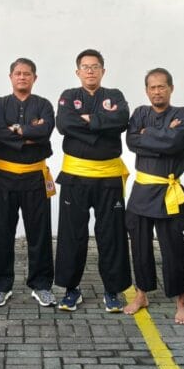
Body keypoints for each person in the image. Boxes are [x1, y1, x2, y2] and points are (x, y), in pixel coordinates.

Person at [54, 49, 131, 313]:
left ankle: (112, 290)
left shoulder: (114, 95)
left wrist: (87, 121)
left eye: (95, 66)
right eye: (85, 67)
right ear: (78, 72)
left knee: (111, 234)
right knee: (72, 234)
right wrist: (101, 126)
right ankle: (71, 289)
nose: (90, 71)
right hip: (75, 176)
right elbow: (64, 124)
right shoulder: (69, 96)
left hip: (108, 176)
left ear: (103, 71)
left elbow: (121, 120)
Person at [123, 68, 184, 322]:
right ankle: (142, 294)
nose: (157, 91)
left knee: (173, 247)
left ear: (171, 88)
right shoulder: (140, 113)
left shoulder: (181, 114)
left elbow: (174, 143)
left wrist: (147, 134)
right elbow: (131, 142)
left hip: (168, 191)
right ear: (146, 91)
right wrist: (162, 135)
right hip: (142, 190)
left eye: (162, 86)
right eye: (152, 87)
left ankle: (182, 300)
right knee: (139, 245)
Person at [0, 58, 57, 307]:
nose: (22, 77)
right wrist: (29, 132)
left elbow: (45, 132)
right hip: (5, 176)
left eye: (27, 74)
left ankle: (41, 285)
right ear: (10, 77)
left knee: (39, 232)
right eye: (17, 73)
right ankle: (0, 286)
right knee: (1, 232)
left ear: (34, 78)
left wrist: (16, 130)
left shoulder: (44, 104)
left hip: (35, 176)